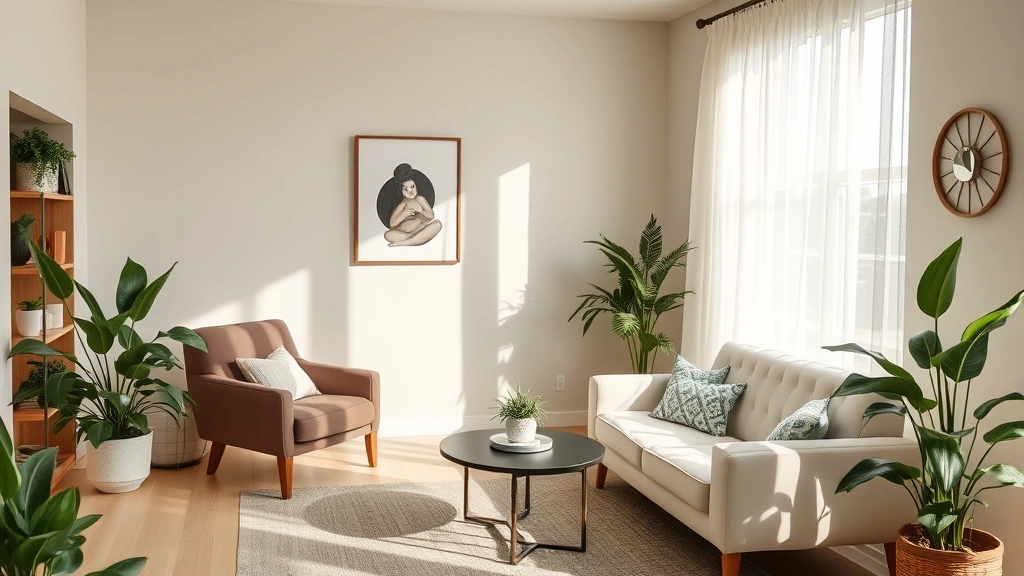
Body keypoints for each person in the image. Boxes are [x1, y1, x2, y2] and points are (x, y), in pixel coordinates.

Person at [383, 164, 442, 247]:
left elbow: (431, 216)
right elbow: (392, 224)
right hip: (406, 233)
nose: (409, 191)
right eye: (405, 188)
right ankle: (417, 239)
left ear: (416, 187)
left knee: (437, 224)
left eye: (412, 187)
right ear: (401, 191)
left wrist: (420, 210)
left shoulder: (420, 199)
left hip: (421, 228)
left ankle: (404, 243)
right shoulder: (402, 204)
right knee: (387, 234)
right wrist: (404, 214)